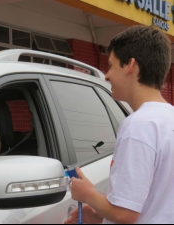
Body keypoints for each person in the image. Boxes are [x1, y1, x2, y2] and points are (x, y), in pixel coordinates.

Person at [65, 25, 174, 224]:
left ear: (130, 65)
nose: (106, 76)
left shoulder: (138, 126)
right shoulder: (169, 119)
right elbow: (157, 203)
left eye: (111, 65)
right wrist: (100, 216)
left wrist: (87, 194)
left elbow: (125, 215)